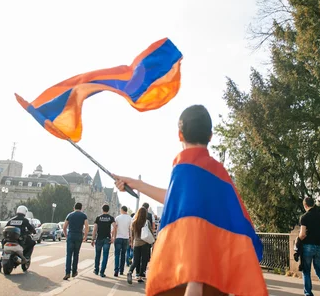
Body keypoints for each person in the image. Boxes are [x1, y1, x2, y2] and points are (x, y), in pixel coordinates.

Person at [114, 105, 267, 296]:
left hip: (187, 268)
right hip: (215, 269)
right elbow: (232, 215)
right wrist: (138, 184)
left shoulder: (183, 167)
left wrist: (138, 185)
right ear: (210, 136)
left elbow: (176, 202)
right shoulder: (219, 172)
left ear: (180, 134)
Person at [298, 196, 320, 296]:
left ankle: (308, 293)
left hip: (307, 247)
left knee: (306, 271)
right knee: (319, 270)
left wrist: (298, 239)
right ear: (313, 204)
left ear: (305, 205)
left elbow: (303, 234)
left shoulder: (304, 217)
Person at [0, 205, 36, 273]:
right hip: (20, 240)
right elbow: (31, 229)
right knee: (32, 243)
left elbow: (5, 228)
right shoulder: (25, 220)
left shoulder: (11, 220)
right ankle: (26, 257)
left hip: (8, 240)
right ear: (25, 212)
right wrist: (33, 231)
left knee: (4, 250)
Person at [63, 202, 89, 280]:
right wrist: (85, 236)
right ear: (81, 208)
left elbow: (64, 227)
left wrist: (66, 235)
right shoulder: (83, 216)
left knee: (69, 254)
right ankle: (74, 271)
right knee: (76, 254)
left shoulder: (69, 215)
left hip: (71, 235)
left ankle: (67, 272)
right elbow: (87, 227)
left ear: (74, 208)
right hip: (78, 236)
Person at [127, 207, 152, 284]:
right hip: (145, 243)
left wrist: (131, 242)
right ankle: (140, 277)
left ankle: (130, 271)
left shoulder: (134, 222)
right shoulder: (147, 222)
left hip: (136, 243)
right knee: (143, 261)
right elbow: (150, 232)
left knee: (135, 260)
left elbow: (132, 234)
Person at [91, 204, 115, 278]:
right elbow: (115, 226)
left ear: (102, 209)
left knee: (97, 255)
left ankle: (96, 270)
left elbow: (95, 229)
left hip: (99, 238)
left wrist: (92, 239)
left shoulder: (98, 218)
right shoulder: (111, 218)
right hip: (107, 238)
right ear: (108, 210)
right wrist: (113, 236)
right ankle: (102, 272)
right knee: (105, 255)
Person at [113, 205, 132, 277]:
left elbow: (115, 228)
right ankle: (121, 270)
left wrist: (114, 237)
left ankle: (116, 270)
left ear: (122, 210)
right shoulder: (130, 218)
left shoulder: (117, 217)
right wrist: (131, 239)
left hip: (118, 237)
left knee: (117, 255)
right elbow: (130, 229)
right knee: (123, 254)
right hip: (126, 238)